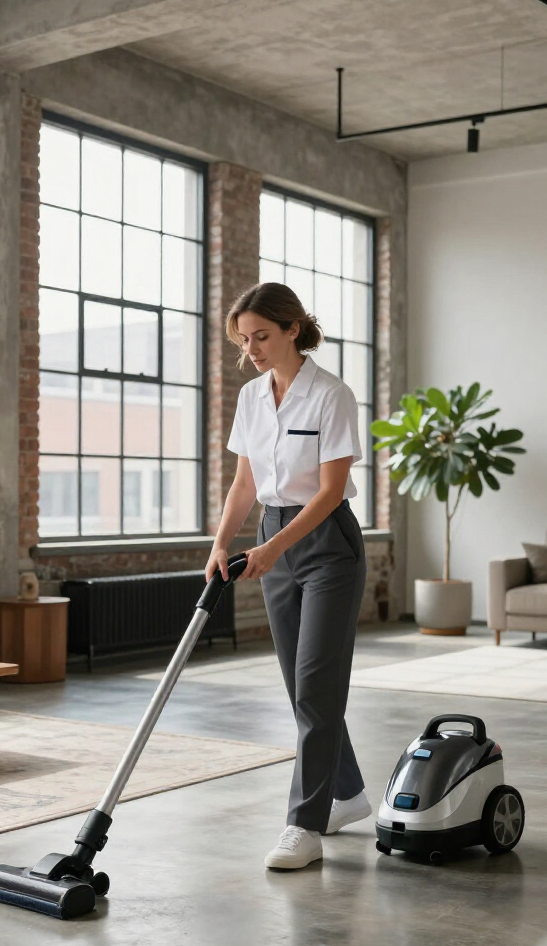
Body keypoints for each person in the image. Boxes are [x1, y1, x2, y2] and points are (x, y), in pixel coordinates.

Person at [205, 281, 371, 870]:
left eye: (262, 336)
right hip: (272, 539)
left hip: (327, 544)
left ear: (293, 329)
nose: (251, 348)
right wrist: (224, 542)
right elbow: (245, 482)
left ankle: (304, 825)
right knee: (302, 690)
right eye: (244, 340)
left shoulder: (332, 395)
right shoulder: (252, 397)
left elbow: (329, 492)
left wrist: (272, 548)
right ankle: (346, 795)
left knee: (318, 686)